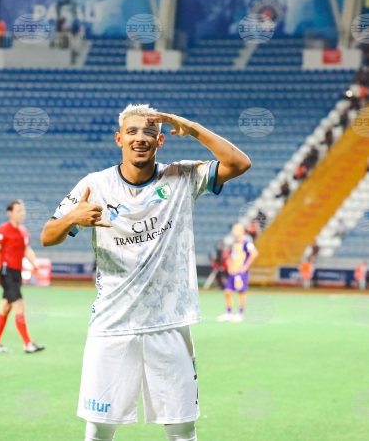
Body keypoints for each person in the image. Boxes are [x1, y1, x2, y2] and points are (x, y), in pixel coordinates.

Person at [40, 104, 251, 441]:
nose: (140, 138)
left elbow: (239, 163)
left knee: (182, 428)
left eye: (149, 132)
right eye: (133, 132)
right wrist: (71, 219)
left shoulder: (182, 177)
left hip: (169, 323)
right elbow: (47, 236)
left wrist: (191, 127)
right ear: (119, 138)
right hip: (111, 324)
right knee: (99, 429)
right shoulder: (95, 184)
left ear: (160, 141)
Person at [0, 200, 45, 354]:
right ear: (10, 213)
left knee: (5, 308)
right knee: (19, 306)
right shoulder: (2, 230)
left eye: (23, 210)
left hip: (16, 274)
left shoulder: (23, 231)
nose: (22, 213)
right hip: (6, 273)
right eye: (19, 210)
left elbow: (27, 250)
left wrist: (36, 265)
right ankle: (28, 344)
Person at [216, 223, 258, 323]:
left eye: (235, 229)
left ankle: (240, 314)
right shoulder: (234, 242)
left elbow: (254, 253)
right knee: (227, 291)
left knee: (241, 292)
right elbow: (232, 255)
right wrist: (229, 264)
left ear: (242, 230)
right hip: (233, 271)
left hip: (241, 272)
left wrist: (246, 266)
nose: (233, 231)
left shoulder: (247, 242)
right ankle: (229, 313)